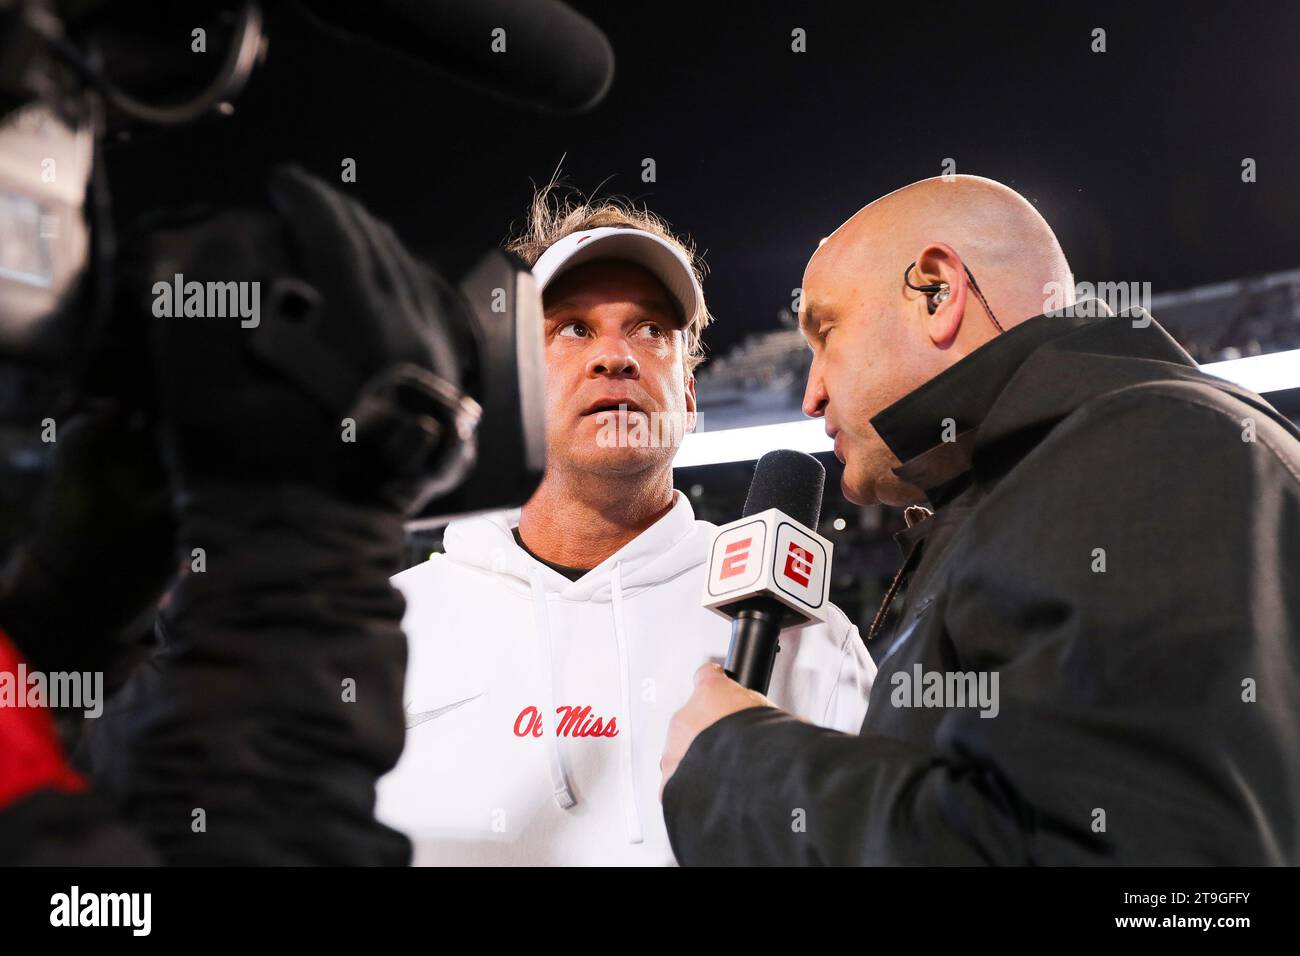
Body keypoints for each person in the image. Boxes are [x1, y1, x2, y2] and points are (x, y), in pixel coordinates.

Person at [659, 174, 1300, 865]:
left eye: (825, 333)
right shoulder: (1032, 480)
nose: (810, 394)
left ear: (937, 293)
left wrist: (742, 769)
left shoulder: (1147, 444)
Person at [376, 188, 875, 865]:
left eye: (650, 330)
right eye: (573, 328)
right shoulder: (387, 626)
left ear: (690, 396)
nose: (617, 357)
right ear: (511, 383)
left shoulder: (804, 634)